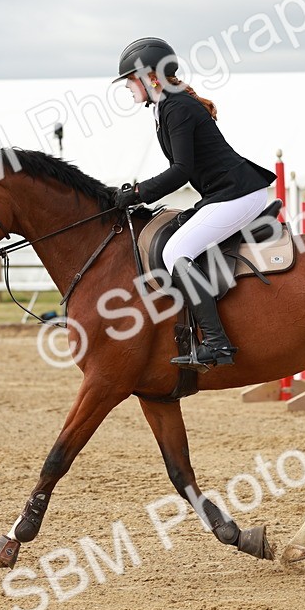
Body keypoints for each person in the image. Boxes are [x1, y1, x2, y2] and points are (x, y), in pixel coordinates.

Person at [112, 37, 275, 369]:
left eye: (131, 79)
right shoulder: (166, 107)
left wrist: (140, 193)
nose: (128, 87)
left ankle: (217, 344)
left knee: (175, 252)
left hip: (239, 193)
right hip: (224, 194)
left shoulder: (176, 107)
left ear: (150, 77)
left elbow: (181, 170)